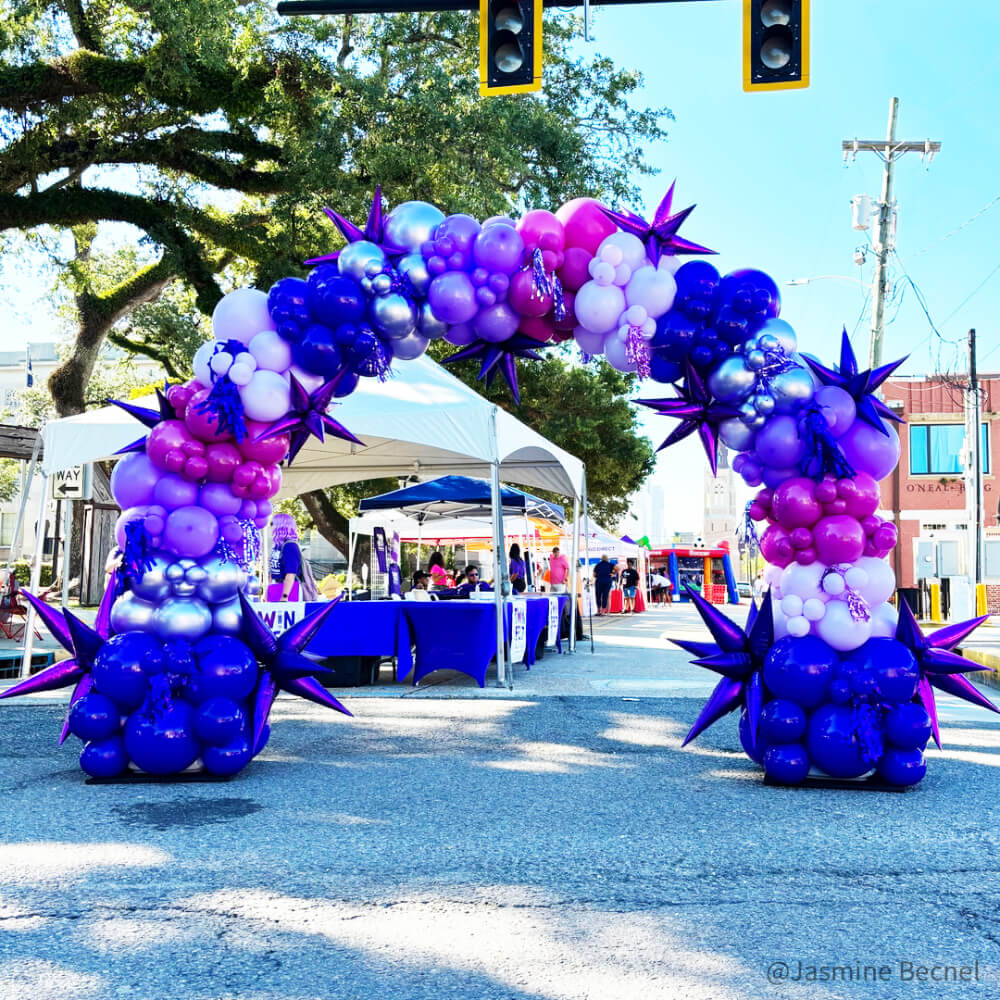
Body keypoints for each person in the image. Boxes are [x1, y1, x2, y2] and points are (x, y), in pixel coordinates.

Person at [269, 513, 317, 601]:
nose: (270, 527)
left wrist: (284, 596)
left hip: (289, 590)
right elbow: (273, 572)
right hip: (276, 587)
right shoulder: (278, 546)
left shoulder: (290, 546)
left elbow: (291, 573)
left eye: (272, 524)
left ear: (280, 526)